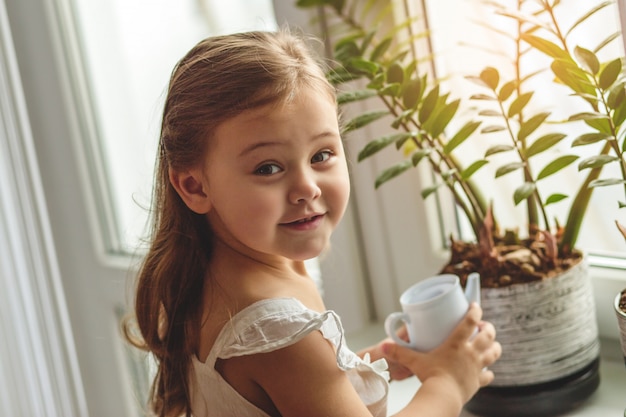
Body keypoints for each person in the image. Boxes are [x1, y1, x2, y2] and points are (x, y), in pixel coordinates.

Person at [123, 28, 501, 417]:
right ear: (194, 186)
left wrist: (369, 363)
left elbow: (294, 389)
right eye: (268, 167)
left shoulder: (213, 275)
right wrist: (450, 383)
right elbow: (297, 365)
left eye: (321, 155)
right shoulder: (277, 331)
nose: (307, 187)